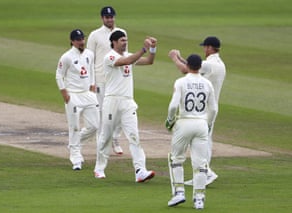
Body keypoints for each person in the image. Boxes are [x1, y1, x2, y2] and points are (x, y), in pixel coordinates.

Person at [93, 30, 157, 182]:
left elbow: (149, 61)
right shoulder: (109, 57)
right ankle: (99, 168)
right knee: (106, 136)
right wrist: (143, 48)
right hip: (112, 101)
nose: (125, 42)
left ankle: (140, 170)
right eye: (122, 40)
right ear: (114, 42)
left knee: (134, 136)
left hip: (128, 102)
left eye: (126, 40)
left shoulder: (128, 55)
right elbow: (127, 61)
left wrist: (152, 48)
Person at [168, 36, 226, 185]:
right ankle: (204, 173)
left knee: (200, 143)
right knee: (206, 141)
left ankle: (206, 173)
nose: (204, 50)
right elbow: (194, 65)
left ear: (209, 47)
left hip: (201, 111)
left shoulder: (210, 64)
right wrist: (181, 57)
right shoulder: (219, 63)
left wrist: (175, 58)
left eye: (205, 47)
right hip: (210, 109)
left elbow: (186, 69)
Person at [165, 53, 218, 209]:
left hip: (184, 122)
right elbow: (213, 109)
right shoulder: (207, 84)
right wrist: (208, 124)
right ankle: (199, 199)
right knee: (201, 163)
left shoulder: (181, 82)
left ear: (187, 66)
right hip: (201, 124)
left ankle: (179, 193)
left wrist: (169, 120)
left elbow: (174, 106)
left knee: (176, 158)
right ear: (200, 67)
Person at [56, 29, 100, 170]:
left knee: (95, 126)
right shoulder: (66, 57)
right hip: (73, 95)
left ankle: (74, 144)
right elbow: (58, 75)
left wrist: (93, 85)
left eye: (82, 39)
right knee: (74, 127)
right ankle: (76, 159)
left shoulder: (89, 54)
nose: (81, 41)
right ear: (72, 41)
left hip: (87, 94)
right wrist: (65, 93)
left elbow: (91, 70)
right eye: (78, 39)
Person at [87, 6, 126, 155]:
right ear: (102, 18)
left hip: (118, 80)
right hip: (101, 79)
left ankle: (115, 139)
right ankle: (102, 144)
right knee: (102, 112)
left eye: (111, 17)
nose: (110, 19)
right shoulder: (95, 35)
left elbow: (125, 55)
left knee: (121, 111)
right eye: (107, 17)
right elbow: (89, 59)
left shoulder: (122, 33)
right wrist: (91, 82)